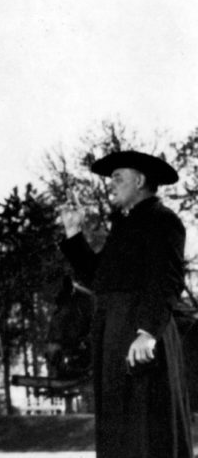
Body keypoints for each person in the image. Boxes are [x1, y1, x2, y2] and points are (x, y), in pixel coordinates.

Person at [58, 150, 191, 457]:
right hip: (115, 336)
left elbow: (168, 281)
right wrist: (73, 232)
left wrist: (148, 332)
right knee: (119, 428)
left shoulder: (164, 221)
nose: (112, 185)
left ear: (140, 181)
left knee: (147, 430)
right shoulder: (125, 225)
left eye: (118, 178)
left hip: (142, 338)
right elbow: (99, 279)